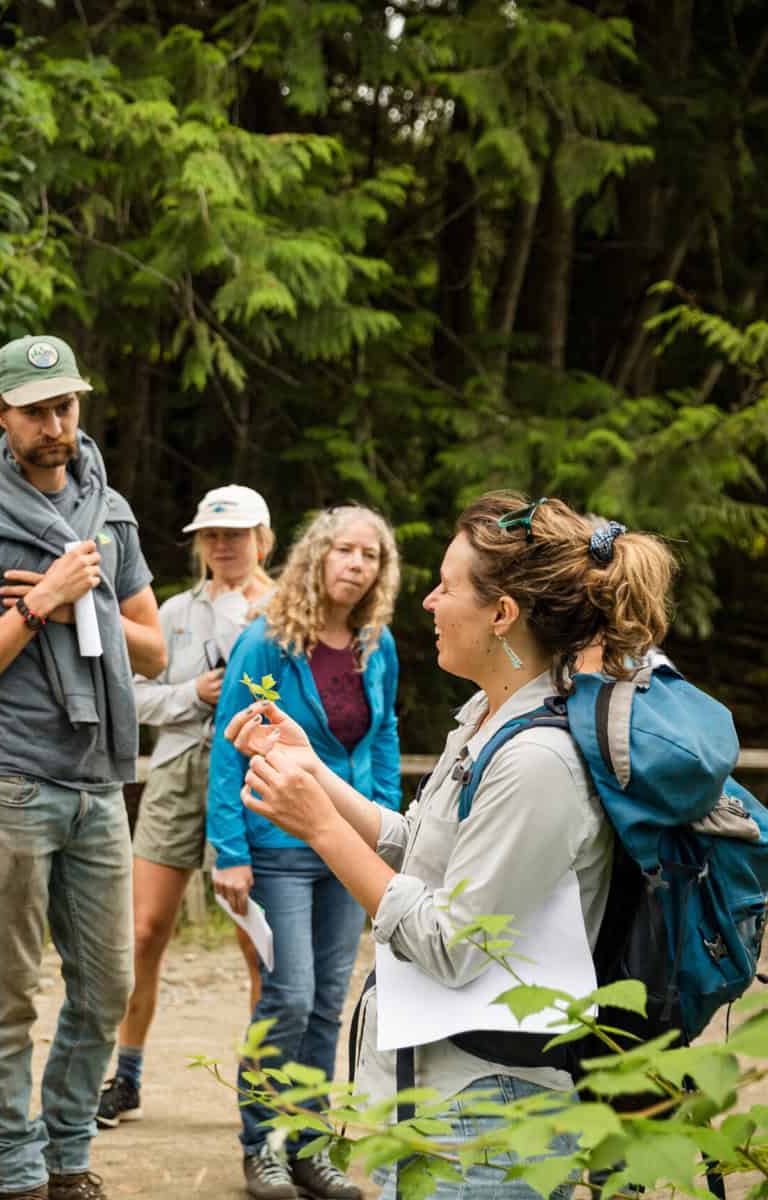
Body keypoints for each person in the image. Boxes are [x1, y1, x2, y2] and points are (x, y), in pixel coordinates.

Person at [227, 493, 672, 1198]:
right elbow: (420, 845)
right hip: (449, 1099)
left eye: (448, 586)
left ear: (502, 616)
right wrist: (315, 768)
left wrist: (320, 827)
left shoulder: (538, 761)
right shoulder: (487, 719)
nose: (429, 601)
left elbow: (450, 943)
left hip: (495, 1117)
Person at [0, 334, 166, 1200]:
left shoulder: (113, 513)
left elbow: (154, 649)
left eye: (66, 406)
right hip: (9, 780)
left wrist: (79, 600)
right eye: (36, 411)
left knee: (108, 983)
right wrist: (38, 610)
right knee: (13, 989)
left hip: (99, 778)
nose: (56, 424)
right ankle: (22, 1170)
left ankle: (69, 1149)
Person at [206, 504, 402, 1200]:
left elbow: (382, 742)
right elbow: (231, 748)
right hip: (277, 840)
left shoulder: (375, 644)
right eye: (344, 550)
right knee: (286, 995)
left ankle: (311, 1150)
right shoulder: (268, 642)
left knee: (326, 1002)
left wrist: (385, 828)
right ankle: (261, 1146)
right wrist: (228, 848)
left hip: (345, 843)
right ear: (316, 556)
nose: (356, 564)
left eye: (370, 555)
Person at [98, 484, 276, 1130]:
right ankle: (127, 1075)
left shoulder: (286, 612)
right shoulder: (172, 612)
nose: (224, 545)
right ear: (200, 542)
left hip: (255, 777)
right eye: (213, 535)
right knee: (143, 933)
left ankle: (262, 1087)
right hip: (176, 772)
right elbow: (134, 698)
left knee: (257, 942)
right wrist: (194, 697)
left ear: (263, 539)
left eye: (236, 534)